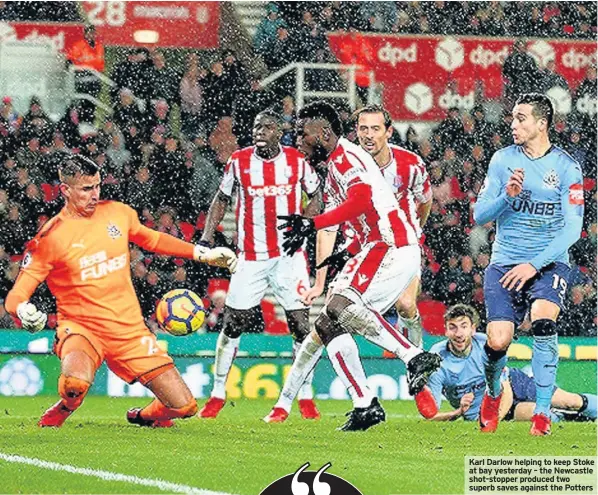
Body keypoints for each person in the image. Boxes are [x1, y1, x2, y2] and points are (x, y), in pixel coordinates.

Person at [4, 154, 237, 428]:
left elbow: (152, 239)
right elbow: (16, 296)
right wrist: (22, 309)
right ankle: (67, 406)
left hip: (129, 331)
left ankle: (142, 416)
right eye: (86, 189)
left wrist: (202, 254)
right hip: (82, 328)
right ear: (65, 190)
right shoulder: (50, 237)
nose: (95, 195)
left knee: (184, 406)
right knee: (74, 382)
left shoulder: (117, 213)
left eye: (97, 186)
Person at [271, 101, 441, 431]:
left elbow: (362, 202)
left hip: (390, 247)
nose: (299, 141)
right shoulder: (335, 165)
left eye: (304, 135)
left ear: (322, 133)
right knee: (327, 325)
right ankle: (353, 404)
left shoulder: (347, 159)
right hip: (371, 249)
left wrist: (311, 223)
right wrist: (324, 268)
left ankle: (412, 355)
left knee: (341, 308)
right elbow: (336, 224)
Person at [197, 110, 322, 420]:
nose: (259, 131)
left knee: (301, 326)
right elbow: (221, 199)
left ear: (279, 132)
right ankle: (217, 393)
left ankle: (305, 396)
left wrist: (304, 224)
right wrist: (206, 238)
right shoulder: (239, 161)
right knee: (233, 323)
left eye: (266, 127)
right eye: (256, 127)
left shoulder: (295, 161)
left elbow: (317, 194)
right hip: (251, 257)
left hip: (289, 257)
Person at [473, 93, 584, 435]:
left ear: (541, 123)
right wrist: (507, 196)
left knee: (543, 321)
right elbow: (479, 215)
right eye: (513, 118)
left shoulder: (567, 167)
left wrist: (534, 264)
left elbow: (573, 229)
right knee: (498, 340)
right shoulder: (502, 160)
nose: (513, 124)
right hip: (505, 263)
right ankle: (493, 394)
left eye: (521, 118)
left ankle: (542, 412)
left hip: (548, 264)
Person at [415, 304, 596, 423]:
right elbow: (431, 414)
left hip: (513, 385)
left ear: (473, 329)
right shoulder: (436, 361)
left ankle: (583, 411)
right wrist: (457, 413)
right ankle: (573, 419)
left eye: (464, 326)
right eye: (453, 327)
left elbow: (505, 388)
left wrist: (493, 420)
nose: (459, 333)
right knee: (546, 417)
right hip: (480, 412)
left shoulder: (487, 344)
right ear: (445, 330)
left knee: (570, 401)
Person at [353, 105, 432, 347]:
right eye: (363, 128)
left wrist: (414, 229)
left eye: (375, 129)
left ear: (388, 132)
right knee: (348, 313)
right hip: (366, 246)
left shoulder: (410, 164)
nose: (369, 135)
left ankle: (416, 349)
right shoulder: (347, 165)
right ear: (356, 131)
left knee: (406, 305)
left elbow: (425, 202)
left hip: (404, 243)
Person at [67, 25, 105, 123]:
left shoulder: (99, 46)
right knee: (81, 103)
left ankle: (89, 123)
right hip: (82, 77)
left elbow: (99, 62)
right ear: (85, 34)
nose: (91, 35)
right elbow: (70, 61)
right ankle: (79, 122)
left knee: (91, 103)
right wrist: (82, 68)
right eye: (89, 33)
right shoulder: (79, 45)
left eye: (93, 33)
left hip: (94, 77)